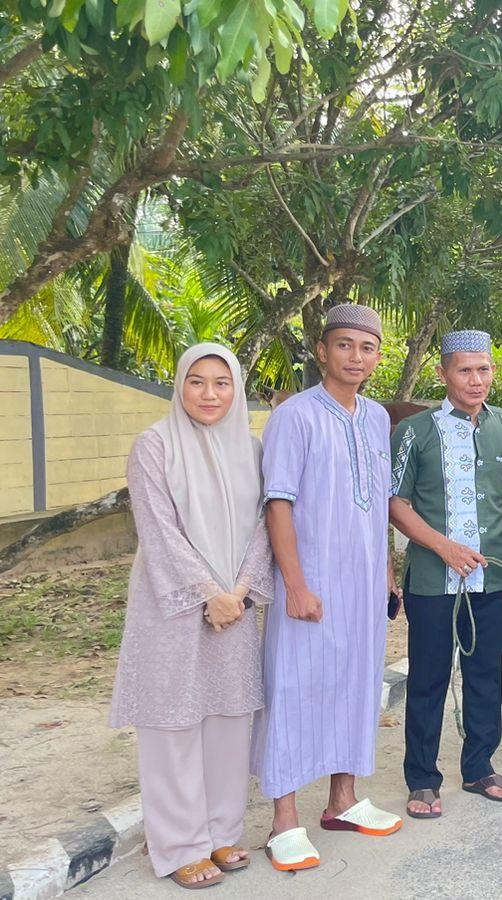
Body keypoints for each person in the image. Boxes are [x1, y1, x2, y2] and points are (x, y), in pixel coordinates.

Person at [110, 344, 273, 890]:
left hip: (235, 604)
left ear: (237, 390)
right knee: (173, 722)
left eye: (221, 383)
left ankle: (222, 832)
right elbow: (157, 529)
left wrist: (240, 590)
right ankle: (181, 844)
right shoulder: (154, 445)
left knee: (228, 719)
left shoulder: (251, 450)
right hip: (173, 606)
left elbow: (264, 526)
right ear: (179, 385)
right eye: (196, 381)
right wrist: (208, 593)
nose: (209, 394)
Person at [252, 304, 403, 872]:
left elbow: (378, 504)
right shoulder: (294, 416)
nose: (356, 357)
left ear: (378, 356)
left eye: (367, 348)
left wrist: (386, 570)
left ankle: (343, 800)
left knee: (356, 684)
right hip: (311, 579)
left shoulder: (377, 418)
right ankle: (284, 820)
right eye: (344, 345)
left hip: (363, 583)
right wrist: (294, 584)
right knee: (294, 688)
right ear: (322, 350)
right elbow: (278, 503)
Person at [389, 330, 502, 818]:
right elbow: (396, 503)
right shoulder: (415, 431)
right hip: (433, 582)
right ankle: (422, 779)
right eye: (465, 370)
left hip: (491, 579)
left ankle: (479, 768)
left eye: (483, 370)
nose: (476, 380)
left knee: (485, 676)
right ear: (443, 373)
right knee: (428, 679)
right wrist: (444, 547)